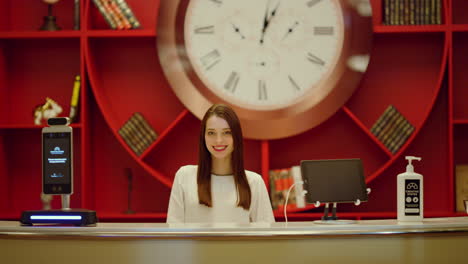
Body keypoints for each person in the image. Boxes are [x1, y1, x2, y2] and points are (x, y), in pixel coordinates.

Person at [167, 104, 275, 223]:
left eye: (226, 132)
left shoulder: (255, 182)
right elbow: (172, 233)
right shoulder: (184, 176)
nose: (218, 140)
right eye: (211, 133)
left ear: (236, 136)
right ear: (204, 137)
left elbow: (267, 237)